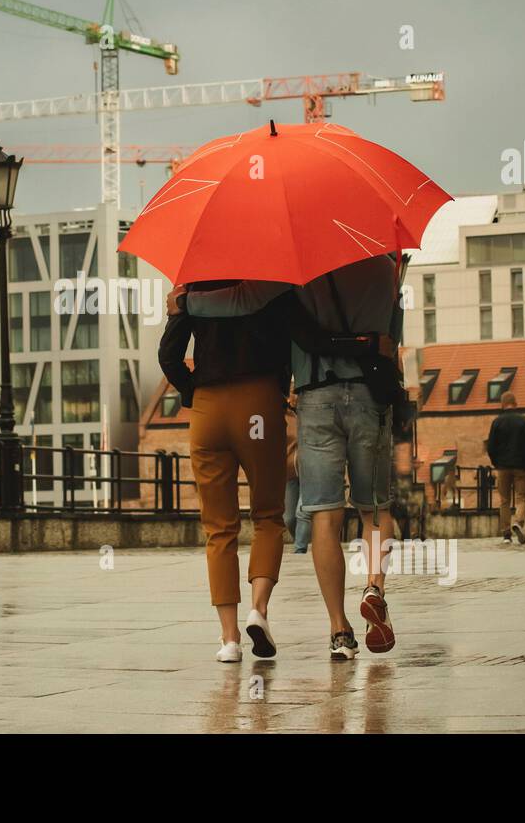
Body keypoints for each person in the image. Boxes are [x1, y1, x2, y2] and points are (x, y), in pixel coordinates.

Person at [172, 253, 402, 661]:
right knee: (373, 509)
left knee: (322, 516)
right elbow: (391, 339)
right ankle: (372, 587)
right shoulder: (385, 269)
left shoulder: (298, 269)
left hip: (311, 397)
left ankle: (335, 631)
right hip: (364, 396)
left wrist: (187, 303)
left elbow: (243, 303)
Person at [159, 280, 290, 663]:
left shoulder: (192, 288)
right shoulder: (272, 281)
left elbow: (169, 356)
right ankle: (259, 611)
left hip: (208, 408)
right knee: (267, 515)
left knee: (218, 528)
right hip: (258, 403)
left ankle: (229, 639)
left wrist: (193, 391)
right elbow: (291, 344)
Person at [486, 391, 525, 545]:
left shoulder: (497, 422)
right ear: (516, 403)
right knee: (522, 498)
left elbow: (491, 446)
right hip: (522, 467)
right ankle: (518, 522)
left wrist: (496, 462)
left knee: (504, 500)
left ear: (502, 404)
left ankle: (506, 534)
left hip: (503, 467)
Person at [283, 391, 312, 553]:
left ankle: (300, 549)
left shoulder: (312, 414)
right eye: (291, 393)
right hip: (289, 473)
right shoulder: (283, 416)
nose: (293, 397)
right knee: (288, 518)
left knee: (302, 512)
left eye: (296, 393)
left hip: (310, 470)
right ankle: (304, 540)